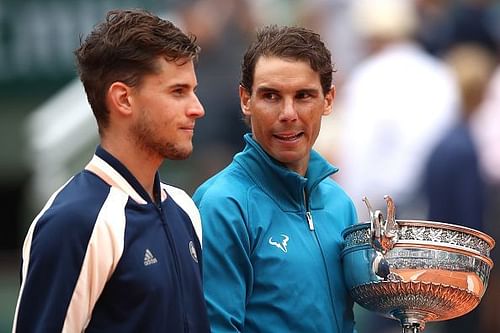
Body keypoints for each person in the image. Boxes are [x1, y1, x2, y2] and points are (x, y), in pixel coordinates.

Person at [12, 9, 210, 333]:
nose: (197, 108)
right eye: (178, 91)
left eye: (193, 89)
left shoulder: (185, 209)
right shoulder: (73, 222)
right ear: (123, 99)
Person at [193, 25, 358, 332]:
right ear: (245, 99)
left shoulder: (339, 203)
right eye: (270, 96)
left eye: (304, 96)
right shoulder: (221, 205)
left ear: (329, 100)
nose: (288, 113)